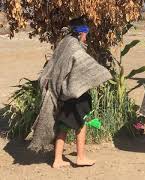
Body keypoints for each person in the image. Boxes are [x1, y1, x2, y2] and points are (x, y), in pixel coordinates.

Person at [27, 17, 112, 168]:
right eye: (85, 32)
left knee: (63, 125)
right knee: (82, 122)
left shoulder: (64, 43)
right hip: (74, 93)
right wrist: (102, 74)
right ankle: (80, 157)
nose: (86, 36)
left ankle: (58, 160)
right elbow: (84, 65)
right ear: (81, 33)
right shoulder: (76, 48)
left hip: (61, 92)